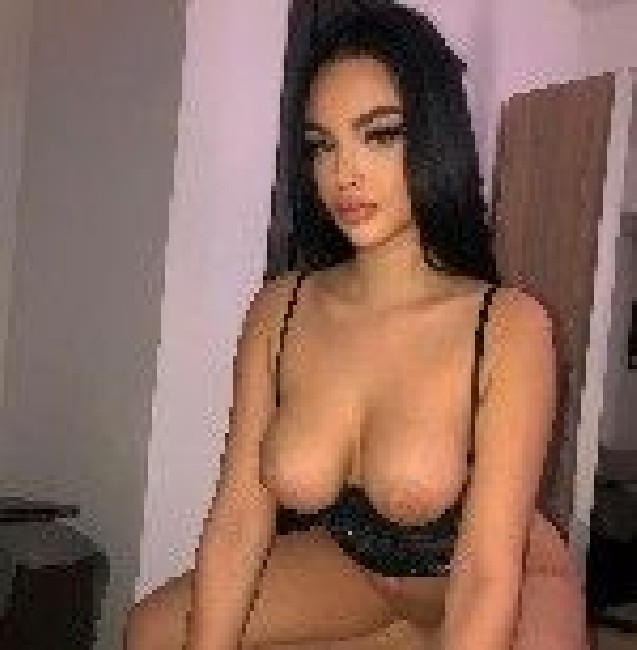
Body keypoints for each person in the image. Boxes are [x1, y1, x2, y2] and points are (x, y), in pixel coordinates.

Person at [124, 4, 590, 649]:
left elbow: (487, 572)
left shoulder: (508, 326)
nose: (344, 173)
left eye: (380, 134)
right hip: (358, 573)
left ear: (434, 137)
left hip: (505, 582)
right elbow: (238, 519)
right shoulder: (280, 311)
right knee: (154, 632)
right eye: (323, 144)